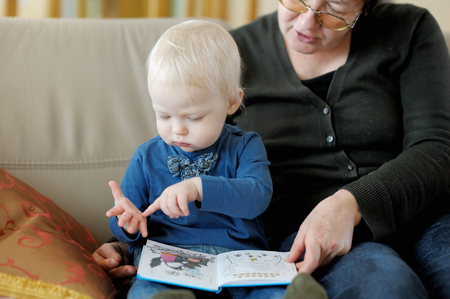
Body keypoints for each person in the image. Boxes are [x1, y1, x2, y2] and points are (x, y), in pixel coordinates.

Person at [95, 1, 450, 298]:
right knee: (389, 287)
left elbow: (437, 147)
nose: (308, 20)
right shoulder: (230, 56)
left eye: (336, 7)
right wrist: (122, 242)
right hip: (308, 235)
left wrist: (350, 203)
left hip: (426, 216)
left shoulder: (409, 29)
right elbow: (164, 179)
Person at [105, 20, 301, 299]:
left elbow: (257, 196)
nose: (177, 129)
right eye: (163, 115)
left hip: (239, 262)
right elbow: (127, 227)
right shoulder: (146, 157)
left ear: (231, 102)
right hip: (170, 262)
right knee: (147, 292)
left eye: (194, 117)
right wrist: (127, 223)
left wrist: (199, 187)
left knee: (272, 292)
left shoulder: (246, 145)